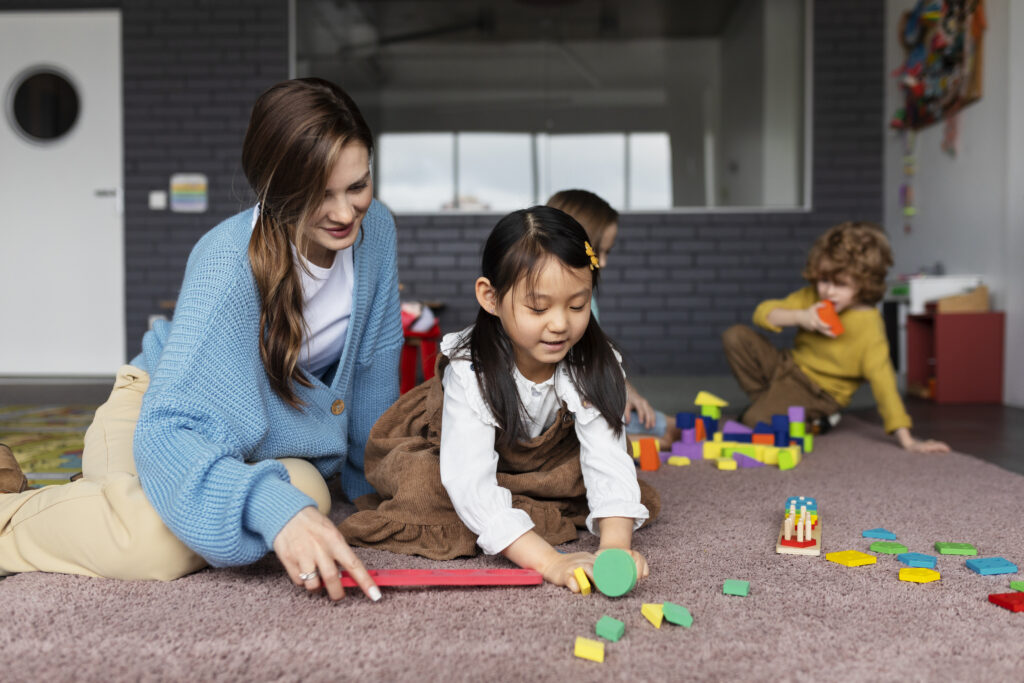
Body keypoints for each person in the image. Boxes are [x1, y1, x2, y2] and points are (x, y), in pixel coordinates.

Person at [0, 78, 402, 601]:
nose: (346, 213)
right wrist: (267, 509)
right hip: (157, 414)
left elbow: (372, 368)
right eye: (319, 195)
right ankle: (11, 515)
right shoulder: (226, 265)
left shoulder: (379, 235)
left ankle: (96, 500)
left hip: (261, 443)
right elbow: (169, 429)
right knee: (151, 544)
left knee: (304, 495)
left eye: (358, 186)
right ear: (275, 189)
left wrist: (371, 492)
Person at [339, 206, 660, 591]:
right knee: (426, 486)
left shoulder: (592, 360)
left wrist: (614, 548)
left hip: (545, 462)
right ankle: (522, 517)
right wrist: (550, 562)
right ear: (490, 297)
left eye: (578, 306)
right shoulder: (472, 369)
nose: (560, 324)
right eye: (538, 307)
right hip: (454, 451)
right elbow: (469, 479)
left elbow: (607, 459)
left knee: (605, 481)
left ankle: (519, 506)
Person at [721, 221, 950, 453]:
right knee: (735, 336)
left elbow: (884, 383)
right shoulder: (813, 298)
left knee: (753, 422)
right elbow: (763, 314)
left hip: (818, 392)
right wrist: (801, 317)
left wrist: (907, 439)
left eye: (840, 284)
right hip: (788, 366)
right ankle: (779, 409)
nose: (828, 291)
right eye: (823, 280)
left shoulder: (868, 325)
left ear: (863, 283)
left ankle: (789, 414)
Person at [545, 189, 678, 446]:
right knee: (664, 435)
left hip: (591, 393)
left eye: (607, 252)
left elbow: (596, 356)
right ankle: (617, 443)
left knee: (666, 424)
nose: (603, 262)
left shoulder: (586, 297)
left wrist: (629, 393)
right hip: (566, 406)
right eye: (598, 252)